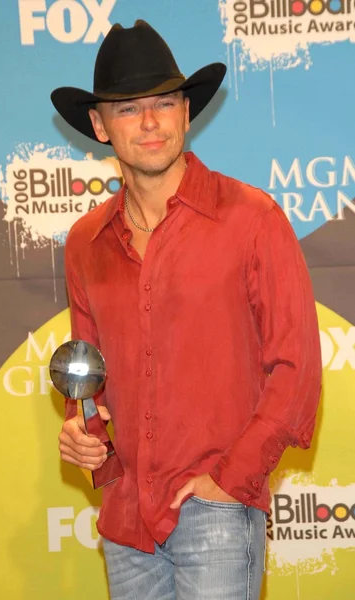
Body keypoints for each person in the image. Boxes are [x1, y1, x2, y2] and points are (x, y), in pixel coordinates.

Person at [51, 19, 322, 600]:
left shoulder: (252, 219)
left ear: (186, 112)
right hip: (125, 520)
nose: (150, 122)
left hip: (216, 511)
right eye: (127, 108)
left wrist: (231, 480)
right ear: (99, 126)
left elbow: (296, 371)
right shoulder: (85, 242)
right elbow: (86, 378)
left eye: (164, 102)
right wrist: (86, 441)